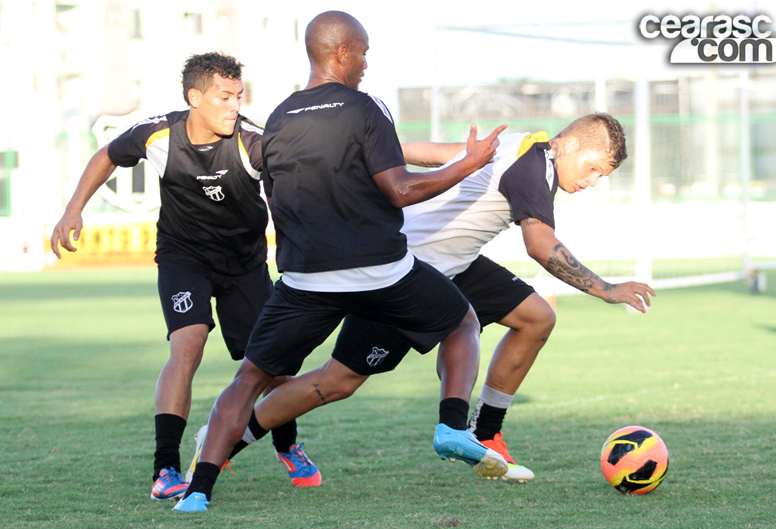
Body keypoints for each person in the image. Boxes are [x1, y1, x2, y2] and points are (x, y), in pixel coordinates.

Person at [183, 113, 656, 485]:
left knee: (535, 318)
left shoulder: (522, 144)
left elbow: (436, 154)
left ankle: (485, 432)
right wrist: (608, 289)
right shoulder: (536, 166)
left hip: (457, 262)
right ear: (569, 144)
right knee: (339, 380)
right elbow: (540, 245)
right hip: (408, 269)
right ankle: (224, 442)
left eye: (602, 176)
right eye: (593, 168)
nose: (592, 181)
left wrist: (377, 152)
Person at [173, 11, 507, 512]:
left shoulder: (280, 116)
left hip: (305, 278)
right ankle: (452, 425)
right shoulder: (365, 107)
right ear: (342, 53)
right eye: (365, 52)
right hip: (381, 273)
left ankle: (196, 493)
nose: (368, 63)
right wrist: (467, 163)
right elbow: (399, 190)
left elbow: (278, 194)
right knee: (461, 320)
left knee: (249, 380)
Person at [49, 52, 320, 500]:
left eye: (238, 96)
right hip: (184, 257)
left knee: (269, 365)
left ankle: (288, 446)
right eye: (223, 97)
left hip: (245, 263)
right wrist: (73, 209)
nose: (233, 106)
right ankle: (166, 470)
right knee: (187, 346)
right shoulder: (157, 134)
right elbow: (106, 155)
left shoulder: (253, 141)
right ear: (195, 98)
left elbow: (290, 196)